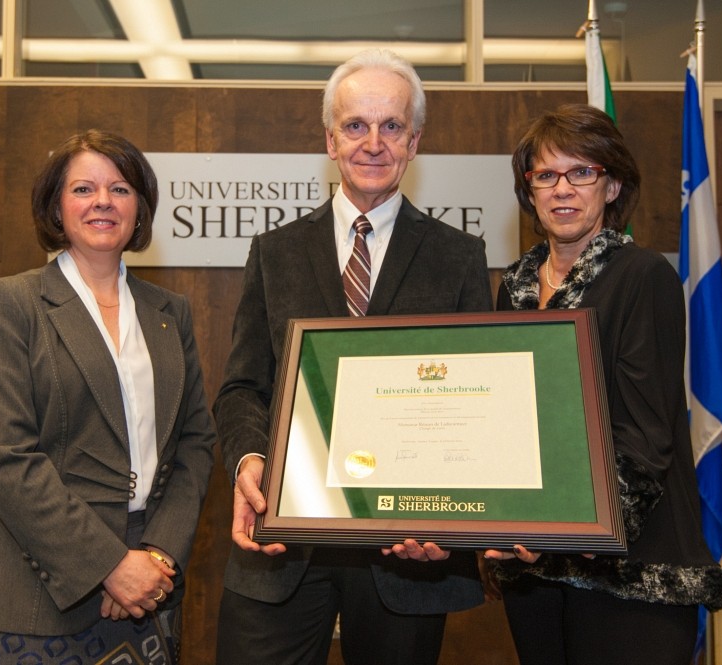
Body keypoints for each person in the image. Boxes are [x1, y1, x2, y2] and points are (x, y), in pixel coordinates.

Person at [213, 48, 491, 665]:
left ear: (414, 142)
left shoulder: (458, 258)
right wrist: (251, 461)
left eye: (391, 126)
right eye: (355, 125)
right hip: (282, 540)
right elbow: (243, 387)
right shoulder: (276, 252)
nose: (373, 143)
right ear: (330, 140)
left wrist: (453, 518)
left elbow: (475, 405)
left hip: (408, 550)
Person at [484, 104, 722, 664]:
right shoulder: (516, 286)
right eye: (546, 175)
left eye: (582, 172)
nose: (563, 189)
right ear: (529, 190)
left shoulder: (643, 276)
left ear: (613, 185)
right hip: (533, 568)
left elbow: (647, 437)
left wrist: (574, 532)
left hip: (629, 570)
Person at [0, 130, 216, 664]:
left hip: (146, 590)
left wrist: (157, 555)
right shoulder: (8, 304)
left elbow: (195, 442)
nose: (102, 202)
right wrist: (108, 565)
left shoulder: (169, 312)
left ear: (140, 208)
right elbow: (6, 459)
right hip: (26, 599)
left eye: (120, 189)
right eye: (83, 189)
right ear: (56, 207)